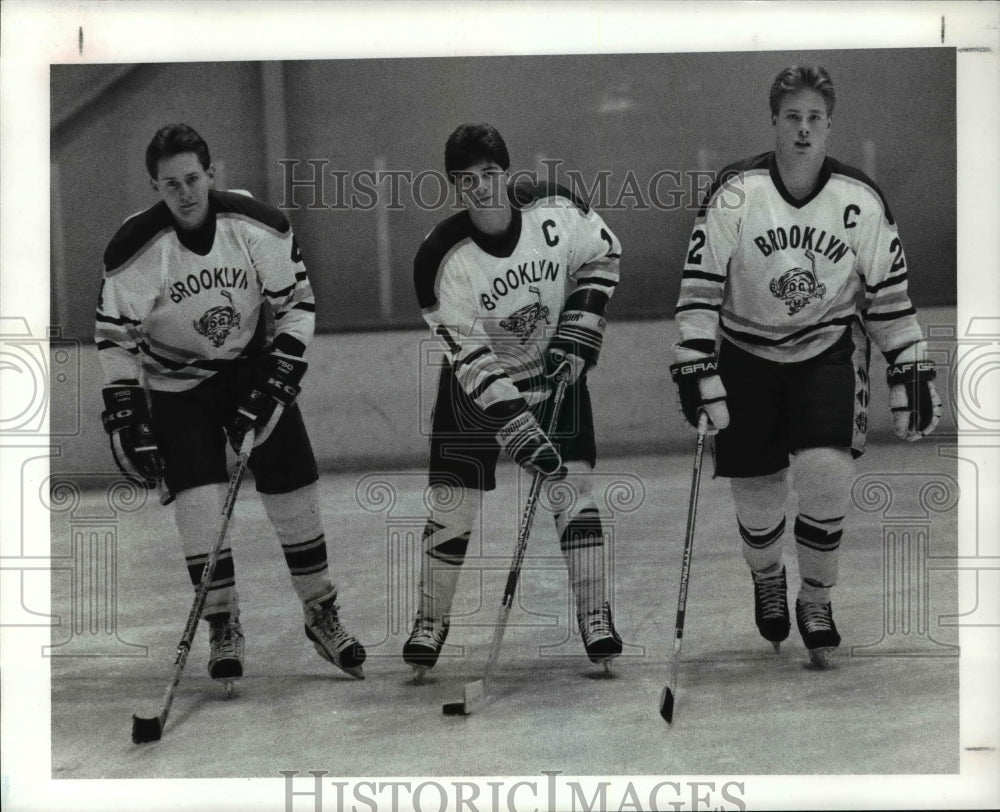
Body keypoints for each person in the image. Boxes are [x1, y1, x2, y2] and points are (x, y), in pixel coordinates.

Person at [670, 66, 941, 668]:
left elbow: (889, 296)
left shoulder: (859, 199)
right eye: (792, 116)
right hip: (745, 353)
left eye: (815, 117)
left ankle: (816, 599)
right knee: (760, 498)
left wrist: (909, 360)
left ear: (829, 125)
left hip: (827, 350)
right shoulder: (736, 191)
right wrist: (693, 357)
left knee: (826, 474)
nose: (803, 128)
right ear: (774, 121)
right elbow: (699, 286)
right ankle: (767, 576)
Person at [95, 123, 366, 683]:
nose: (185, 193)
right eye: (171, 184)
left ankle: (321, 612)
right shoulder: (135, 249)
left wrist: (279, 378)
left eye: (193, 178)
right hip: (174, 385)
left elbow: (297, 304)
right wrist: (126, 412)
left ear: (212, 174)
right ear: (155, 187)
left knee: (293, 483)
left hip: (248, 367)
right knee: (198, 503)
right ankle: (222, 623)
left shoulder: (256, 226)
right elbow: (115, 336)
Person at [405, 123, 624, 676]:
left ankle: (595, 614)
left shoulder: (558, 210)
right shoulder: (439, 258)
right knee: (453, 503)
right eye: (466, 180)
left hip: (554, 371)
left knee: (571, 487)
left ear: (506, 171)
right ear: (454, 186)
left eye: (489, 174)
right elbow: (472, 359)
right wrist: (520, 433)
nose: (479, 187)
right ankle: (431, 620)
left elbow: (602, 257)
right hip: (474, 387)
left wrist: (580, 328)